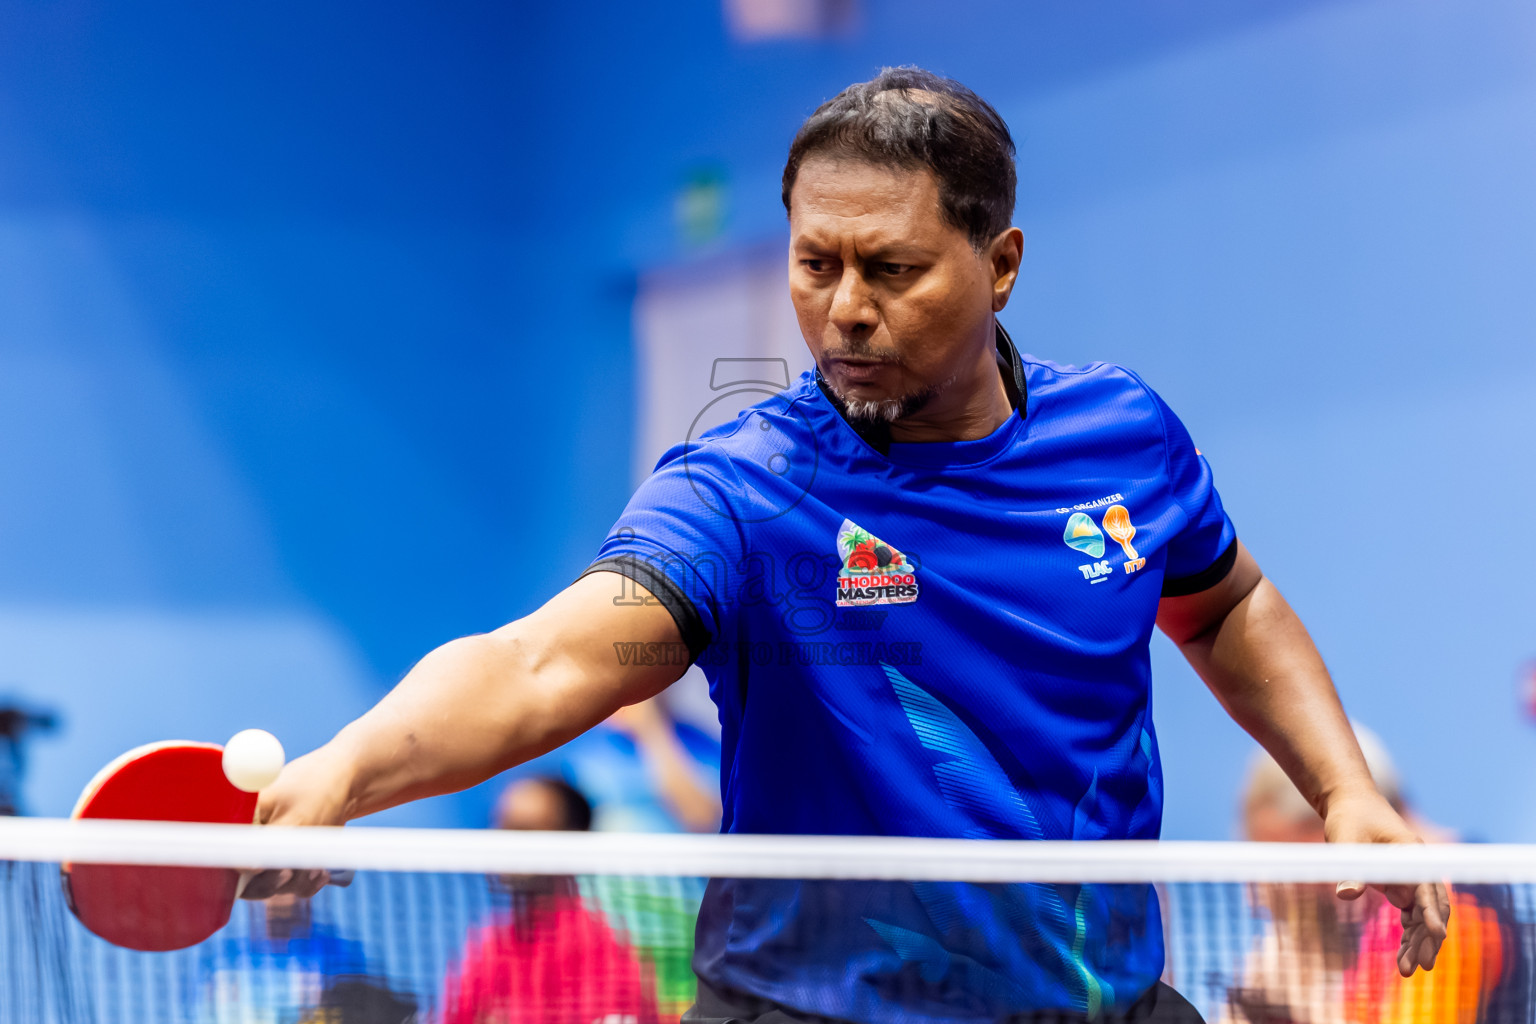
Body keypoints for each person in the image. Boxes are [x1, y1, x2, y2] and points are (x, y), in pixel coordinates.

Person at [247, 67, 1449, 1024]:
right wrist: (349, 769)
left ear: (1003, 264)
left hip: (1095, 996)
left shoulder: (1122, 436)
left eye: (894, 269)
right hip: (811, 1005)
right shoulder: (743, 490)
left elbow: (1226, 602)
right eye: (815, 265)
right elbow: (542, 662)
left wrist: (1343, 788)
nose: (846, 308)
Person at [1220, 730, 1516, 1024]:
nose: (1257, 896)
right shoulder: (1379, 923)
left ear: (1327, 824)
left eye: (1278, 863)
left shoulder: (1453, 908)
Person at [441, 776, 661, 1024]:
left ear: (570, 842)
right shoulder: (489, 947)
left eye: (524, 830)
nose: (505, 841)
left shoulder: (609, 955)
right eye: (502, 825)